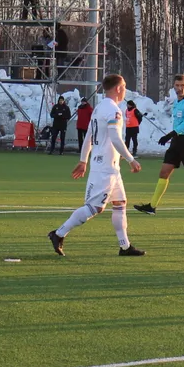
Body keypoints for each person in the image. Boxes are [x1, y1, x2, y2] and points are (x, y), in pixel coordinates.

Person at [47, 74, 145, 258]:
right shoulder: (113, 110)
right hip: (105, 168)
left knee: (120, 204)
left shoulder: (99, 107)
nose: (125, 90)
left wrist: (83, 160)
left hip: (110, 167)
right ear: (117, 89)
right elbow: (115, 137)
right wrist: (131, 159)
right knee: (94, 208)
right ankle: (59, 233)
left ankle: (125, 246)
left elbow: (89, 137)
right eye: (124, 86)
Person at [135, 75, 184, 216]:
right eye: (177, 85)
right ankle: (152, 206)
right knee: (164, 172)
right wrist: (172, 137)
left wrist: (170, 135)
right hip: (176, 141)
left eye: (181, 85)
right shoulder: (176, 103)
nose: (179, 88)